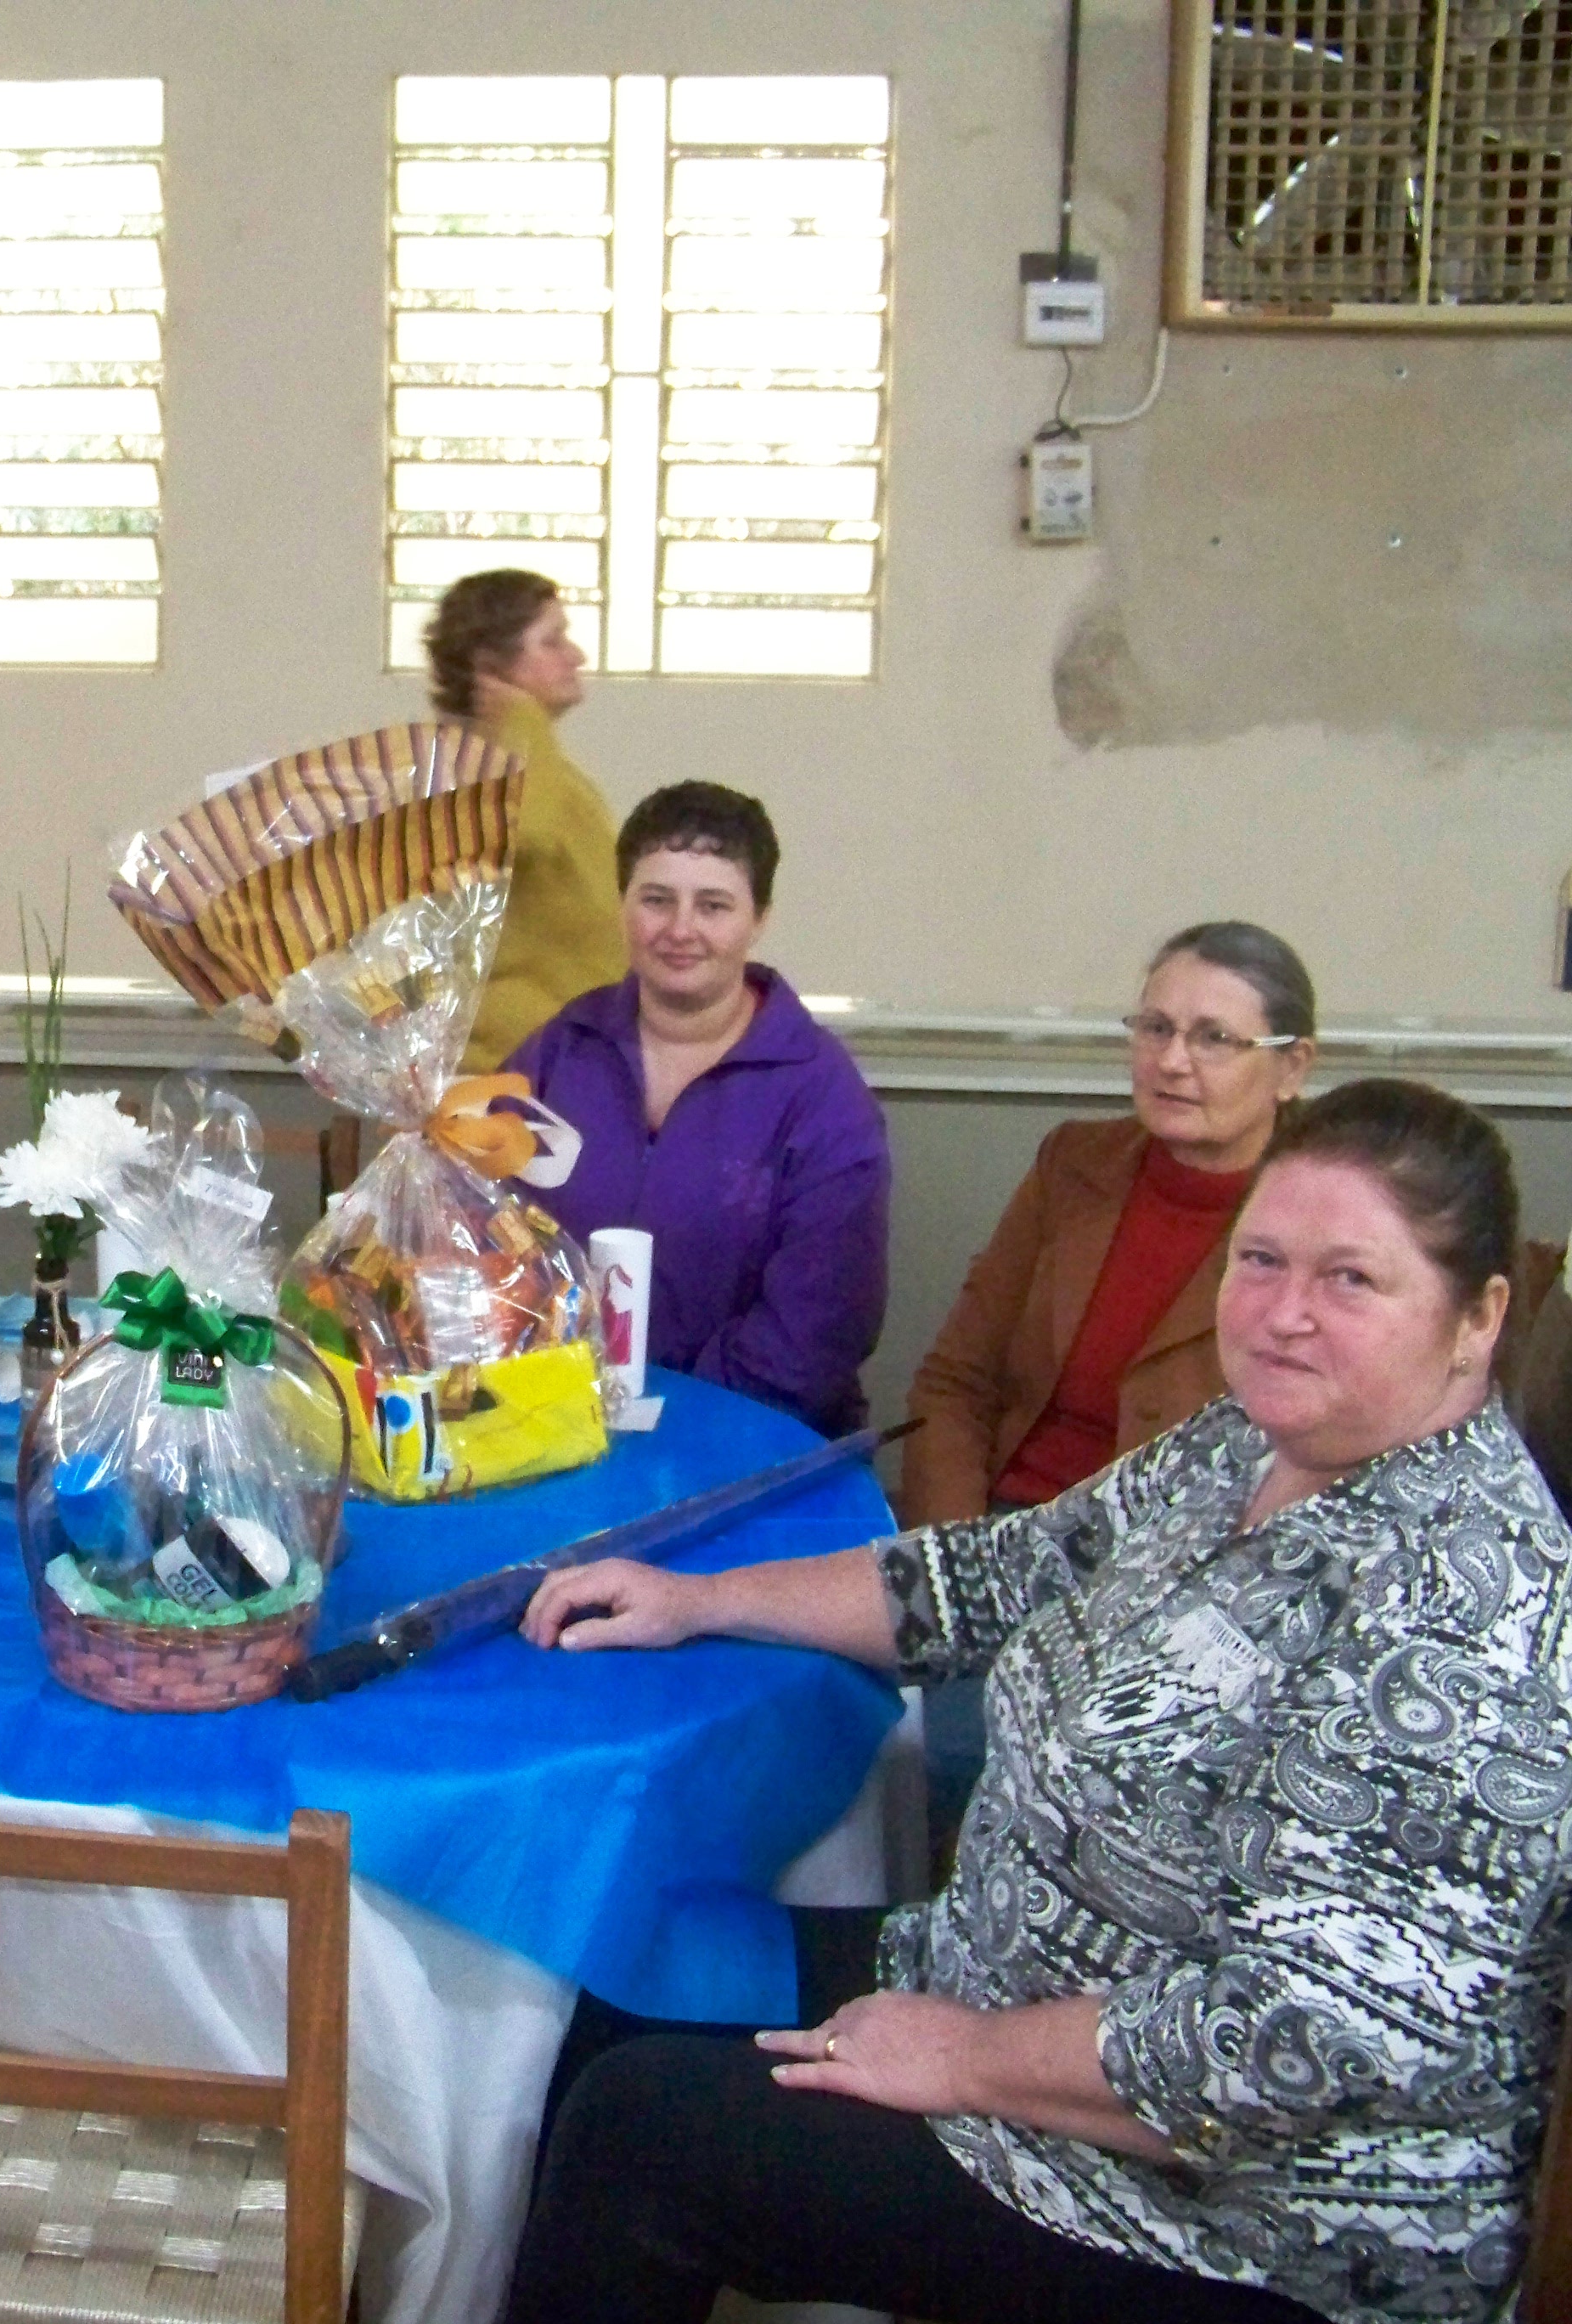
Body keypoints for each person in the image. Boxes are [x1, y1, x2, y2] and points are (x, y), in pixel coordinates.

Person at [503, 1077, 1564, 2324]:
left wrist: (962, 2058)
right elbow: (1007, 1574)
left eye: (1352, 1280)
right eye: (1262, 1260)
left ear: (1478, 1318)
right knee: (603, 1986)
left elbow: (1297, 2044)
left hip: (1236, 2211)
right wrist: (699, 1598)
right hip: (1001, 1977)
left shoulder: (1463, 1610)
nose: (1283, 1315)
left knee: (643, 2136)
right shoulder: (1249, 1443)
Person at [499, 780, 888, 1433]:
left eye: (713, 905)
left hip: (751, 1440)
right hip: (559, 1427)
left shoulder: (821, 1096)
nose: (681, 930)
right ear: (624, 906)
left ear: (759, 919)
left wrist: (663, 1423)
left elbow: (818, 1333)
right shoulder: (561, 1050)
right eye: (656, 900)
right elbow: (486, 1232)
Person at [899, 922, 1318, 1526]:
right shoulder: (1073, 1164)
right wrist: (954, 1550)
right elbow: (956, 1383)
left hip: (1184, 1554)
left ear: (1292, 1068)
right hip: (1004, 1525)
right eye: (1156, 1028)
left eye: (1214, 1038)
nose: (1171, 1062)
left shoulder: (1326, 1216)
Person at [425, 569, 630, 1073]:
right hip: (505, 1069)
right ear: (492, 666)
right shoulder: (471, 766)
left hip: (563, 1057)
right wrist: (520, 718)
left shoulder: (541, 764)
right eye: (553, 641)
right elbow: (522, 836)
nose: (576, 656)